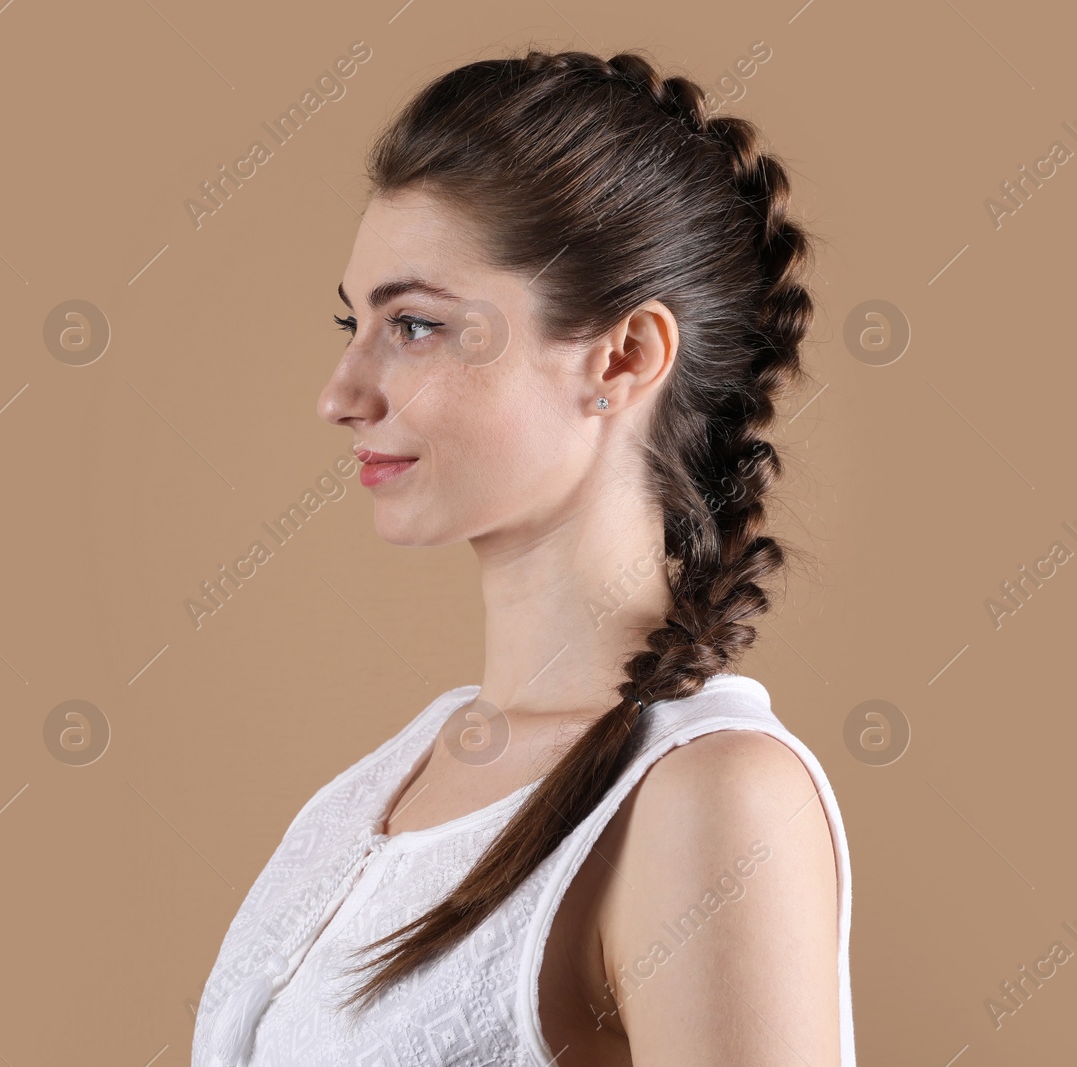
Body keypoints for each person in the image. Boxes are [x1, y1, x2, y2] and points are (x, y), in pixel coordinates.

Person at [191, 47, 854, 1066]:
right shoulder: (370, 794)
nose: (341, 392)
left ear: (622, 357)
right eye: (353, 321)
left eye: (413, 325)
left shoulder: (710, 800)